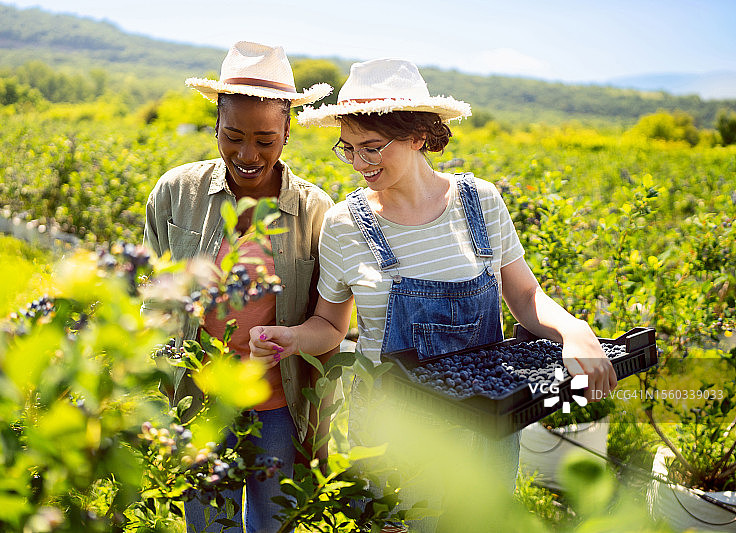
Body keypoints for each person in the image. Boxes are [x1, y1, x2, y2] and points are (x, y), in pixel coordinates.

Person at [249, 58, 618, 531]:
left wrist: (575, 332)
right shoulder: (344, 224)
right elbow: (331, 326)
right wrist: (292, 339)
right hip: (394, 432)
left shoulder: (480, 202)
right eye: (349, 149)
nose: (361, 163)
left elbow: (525, 296)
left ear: (418, 136)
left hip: (488, 422)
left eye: (373, 148)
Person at [143, 41, 334, 533]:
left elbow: (328, 321)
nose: (247, 155)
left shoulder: (314, 212)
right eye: (233, 136)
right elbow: (154, 295)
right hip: (199, 402)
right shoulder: (175, 194)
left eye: (265, 140)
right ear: (216, 125)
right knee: (207, 525)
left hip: (276, 407)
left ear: (288, 131)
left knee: (274, 524)